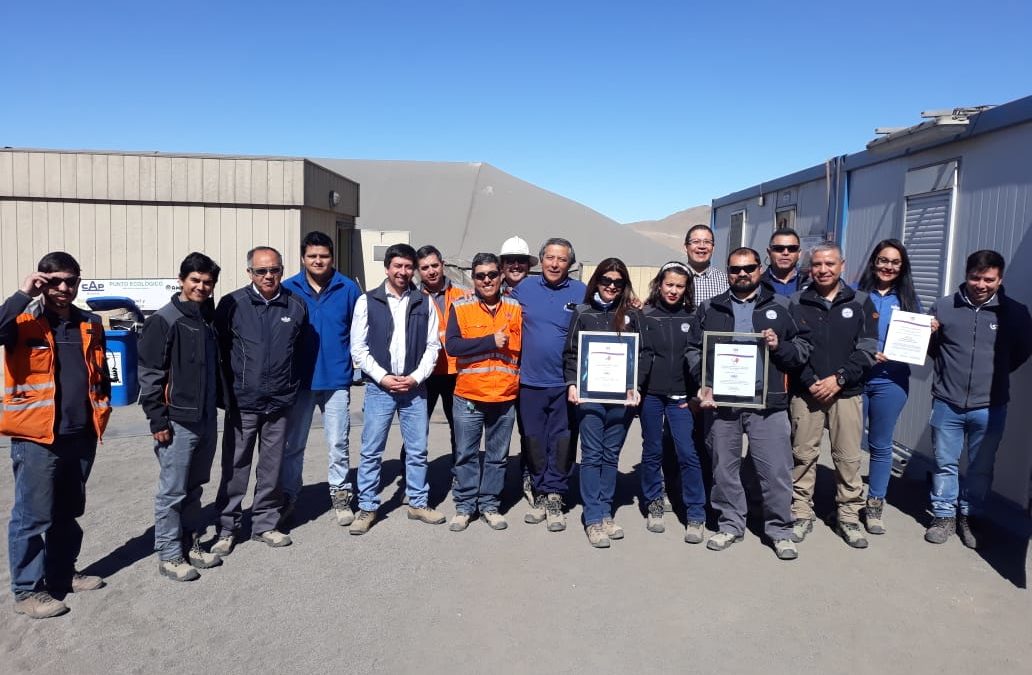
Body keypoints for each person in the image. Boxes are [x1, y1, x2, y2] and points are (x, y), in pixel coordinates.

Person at [1, 252, 110, 619]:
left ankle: (62, 574)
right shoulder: (23, 319)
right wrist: (22, 293)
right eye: (55, 281)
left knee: (67, 512)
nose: (64, 288)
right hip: (37, 438)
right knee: (32, 517)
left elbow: (99, 373)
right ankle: (28, 591)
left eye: (71, 281)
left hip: (80, 434)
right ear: (42, 281)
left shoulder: (90, 323)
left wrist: (102, 409)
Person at [688, 248, 811, 560]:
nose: (742, 274)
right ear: (727, 272)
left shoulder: (783, 306)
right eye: (735, 269)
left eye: (749, 268)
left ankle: (780, 530)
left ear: (760, 269)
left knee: (775, 470)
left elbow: (802, 349)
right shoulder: (709, 307)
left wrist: (779, 345)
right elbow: (692, 350)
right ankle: (730, 524)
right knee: (724, 468)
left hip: (767, 403)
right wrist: (703, 381)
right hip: (722, 403)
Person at [924, 250, 1032, 548]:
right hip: (947, 401)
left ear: (999, 279)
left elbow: (1022, 352)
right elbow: (932, 348)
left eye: (989, 279)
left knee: (981, 467)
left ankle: (970, 516)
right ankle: (943, 515)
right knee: (945, 463)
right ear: (966, 274)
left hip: (990, 406)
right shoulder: (943, 307)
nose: (981, 285)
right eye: (975, 277)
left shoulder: (1015, 312)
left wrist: (994, 376)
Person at [212, 247, 308, 555]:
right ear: (249, 273)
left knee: (272, 466)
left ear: (282, 270)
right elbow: (220, 351)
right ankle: (227, 528)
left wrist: (290, 387)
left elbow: (301, 349)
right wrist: (229, 393)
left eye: (274, 270)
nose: (268, 276)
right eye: (261, 271)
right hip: (244, 403)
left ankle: (265, 523)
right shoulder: (232, 304)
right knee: (235, 466)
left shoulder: (295, 305)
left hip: (279, 402)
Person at [349, 243, 446, 534]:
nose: (403, 272)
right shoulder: (368, 301)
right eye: (397, 266)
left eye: (407, 267)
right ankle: (367, 507)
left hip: (414, 389)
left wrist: (416, 377)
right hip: (381, 388)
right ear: (387, 268)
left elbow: (432, 347)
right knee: (371, 450)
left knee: (417, 450)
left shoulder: (423, 301)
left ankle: (418, 503)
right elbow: (359, 348)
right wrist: (383, 377)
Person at [139, 252, 224, 582]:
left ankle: (192, 544)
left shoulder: (205, 319)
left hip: (205, 417)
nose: (201, 286)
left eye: (207, 282)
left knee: (195, 487)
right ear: (181, 280)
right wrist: (157, 419)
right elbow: (150, 374)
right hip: (177, 420)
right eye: (195, 280)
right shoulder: (164, 320)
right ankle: (170, 554)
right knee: (172, 491)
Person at [788, 241, 878, 549]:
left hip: (847, 394)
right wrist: (811, 380)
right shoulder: (797, 301)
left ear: (842, 265)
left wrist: (838, 379)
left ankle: (848, 517)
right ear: (809, 267)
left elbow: (867, 349)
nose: (823, 270)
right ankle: (801, 513)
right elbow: (791, 350)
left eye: (830, 264)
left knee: (848, 458)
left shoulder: (861, 302)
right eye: (817, 265)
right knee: (802, 455)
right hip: (806, 393)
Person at [279, 232, 361, 527]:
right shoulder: (288, 289)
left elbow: (359, 332)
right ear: (303, 258)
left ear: (332, 258)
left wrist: (357, 369)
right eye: (312, 256)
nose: (318, 261)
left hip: (336, 379)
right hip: (299, 382)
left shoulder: (348, 288)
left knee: (338, 442)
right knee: (293, 444)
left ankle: (340, 493)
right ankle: (288, 495)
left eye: (323, 256)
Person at [564, 258, 644, 548]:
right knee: (592, 455)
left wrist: (635, 387)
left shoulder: (632, 316)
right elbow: (571, 353)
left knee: (611, 455)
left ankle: (606, 510)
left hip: (621, 399)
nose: (611, 286)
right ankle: (593, 517)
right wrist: (572, 383)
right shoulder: (583, 313)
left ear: (624, 286)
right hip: (590, 397)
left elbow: (640, 355)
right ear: (596, 281)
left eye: (617, 282)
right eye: (606, 280)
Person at [511, 237, 587, 532]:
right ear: (541, 260)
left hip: (565, 382)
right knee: (534, 438)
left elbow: (603, 319)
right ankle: (541, 491)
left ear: (570, 263)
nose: (555, 264)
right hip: (529, 381)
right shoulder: (524, 289)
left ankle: (556, 494)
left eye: (562, 259)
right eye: (550, 258)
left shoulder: (581, 291)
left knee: (563, 440)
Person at [445, 253, 522, 531]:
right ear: (473, 278)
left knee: (497, 456)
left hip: (504, 396)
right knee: (465, 454)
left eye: (491, 274)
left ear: (501, 275)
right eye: (480, 276)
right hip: (469, 396)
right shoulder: (461, 306)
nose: (487, 280)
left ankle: (490, 505)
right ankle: (465, 506)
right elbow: (452, 346)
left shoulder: (515, 307)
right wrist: (490, 340)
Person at [855, 240, 920, 535]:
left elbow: (918, 341)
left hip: (890, 382)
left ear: (902, 267)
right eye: (883, 260)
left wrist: (928, 331)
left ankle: (875, 503)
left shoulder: (907, 300)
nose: (888, 266)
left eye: (895, 262)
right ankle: (847, 499)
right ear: (873, 262)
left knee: (881, 445)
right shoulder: (856, 294)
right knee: (848, 445)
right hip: (856, 379)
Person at [638, 262, 706, 540]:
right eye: (669, 285)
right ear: (659, 284)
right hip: (651, 396)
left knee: (687, 453)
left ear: (686, 289)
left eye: (680, 286)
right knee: (652, 450)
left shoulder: (693, 317)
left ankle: (695, 512)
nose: (674, 290)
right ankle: (654, 502)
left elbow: (698, 357)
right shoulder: (645, 315)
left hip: (681, 398)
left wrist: (694, 395)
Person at [416, 245, 466, 474]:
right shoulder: (413, 297)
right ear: (418, 271)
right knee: (416, 429)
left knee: (460, 428)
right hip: (424, 375)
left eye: (435, 265)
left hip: (456, 372)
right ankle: (414, 478)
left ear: (443, 264)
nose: (431, 271)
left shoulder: (464, 294)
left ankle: (460, 475)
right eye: (425, 268)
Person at [498, 235, 538, 505]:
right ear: (502, 265)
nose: (515, 266)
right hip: (497, 375)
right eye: (510, 261)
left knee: (530, 433)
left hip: (529, 375)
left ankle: (529, 478)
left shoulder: (539, 291)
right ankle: (493, 485)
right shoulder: (488, 289)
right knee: (497, 434)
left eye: (520, 261)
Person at [684, 224, 729, 303]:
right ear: (686, 247)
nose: (702, 246)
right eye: (696, 242)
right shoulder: (673, 280)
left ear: (713, 248)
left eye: (707, 242)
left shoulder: (725, 282)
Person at [762, 228, 808, 296]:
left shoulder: (811, 283)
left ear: (799, 254)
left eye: (792, 248)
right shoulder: (756, 285)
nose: (785, 253)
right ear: (769, 253)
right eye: (779, 248)